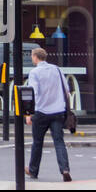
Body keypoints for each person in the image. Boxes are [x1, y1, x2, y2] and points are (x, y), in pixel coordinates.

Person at [25, 47, 72, 182]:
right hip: (58, 111)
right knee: (59, 141)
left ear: (35, 57)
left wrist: (28, 114)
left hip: (41, 111)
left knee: (37, 142)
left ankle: (33, 171)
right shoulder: (57, 69)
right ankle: (65, 169)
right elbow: (67, 90)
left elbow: (32, 92)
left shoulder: (34, 72)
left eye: (32, 56)